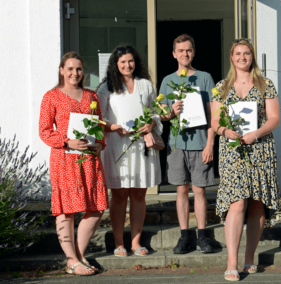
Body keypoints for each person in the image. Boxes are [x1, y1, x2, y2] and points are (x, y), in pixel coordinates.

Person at [212, 39, 281, 281]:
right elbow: (214, 121)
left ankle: (249, 256)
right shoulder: (221, 86)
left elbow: (274, 118)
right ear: (231, 57)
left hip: (260, 148)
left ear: (252, 56)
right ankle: (232, 260)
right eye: (238, 53)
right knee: (237, 201)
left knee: (256, 202)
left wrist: (255, 134)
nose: (243, 57)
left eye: (247, 53)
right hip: (232, 151)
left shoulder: (265, 84)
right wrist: (223, 131)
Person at [39, 52, 108, 276]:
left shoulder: (91, 96)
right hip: (65, 159)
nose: (74, 73)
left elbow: (98, 127)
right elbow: (44, 131)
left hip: (89, 159)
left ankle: (77, 256)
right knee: (66, 210)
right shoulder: (51, 96)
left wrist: (99, 144)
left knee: (97, 207)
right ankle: (72, 259)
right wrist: (66, 141)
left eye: (78, 69)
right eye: (70, 69)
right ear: (61, 70)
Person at [97, 45, 162, 257]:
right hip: (117, 145)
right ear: (115, 65)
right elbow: (98, 120)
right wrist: (114, 127)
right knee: (119, 194)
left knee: (138, 193)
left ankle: (136, 242)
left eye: (131, 61)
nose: (127, 65)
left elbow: (155, 113)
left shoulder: (145, 85)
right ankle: (118, 243)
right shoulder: (106, 88)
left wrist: (151, 124)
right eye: (123, 62)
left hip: (141, 145)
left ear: (136, 62)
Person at [159, 34, 215, 254]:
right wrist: (171, 113)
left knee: (199, 191)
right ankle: (184, 236)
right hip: (176, 144)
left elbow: (213, 115)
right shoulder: (167, 81)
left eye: (188, 50)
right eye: (180, 51)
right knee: (181, 190)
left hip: (200, 143)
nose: (185, 54)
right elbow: (162, 116)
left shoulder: (204, 78)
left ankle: (202, 236)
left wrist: (210, 144)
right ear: (174, 54)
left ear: (194, 52)